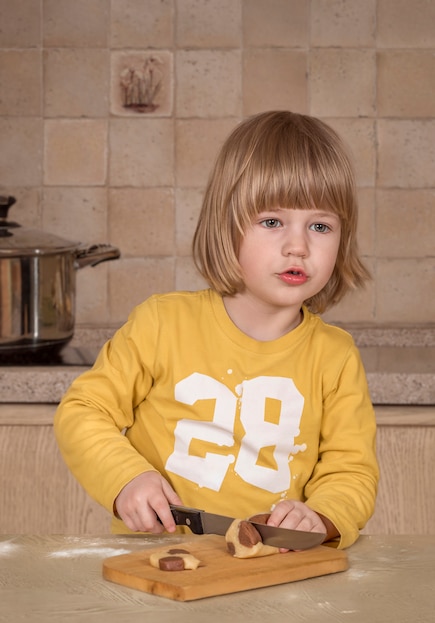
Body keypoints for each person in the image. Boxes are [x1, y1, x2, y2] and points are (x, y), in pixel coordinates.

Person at [54, 110, 379, 550]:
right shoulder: (161, 324)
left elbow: (351, 472)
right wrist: (127, 478)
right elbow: (83, 412)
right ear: (226, 225)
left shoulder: (336, 357)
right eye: (271, 221)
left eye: (320, 226)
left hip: (277, 571)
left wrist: (322, 518)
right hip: (157, 559)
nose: (298, 246)